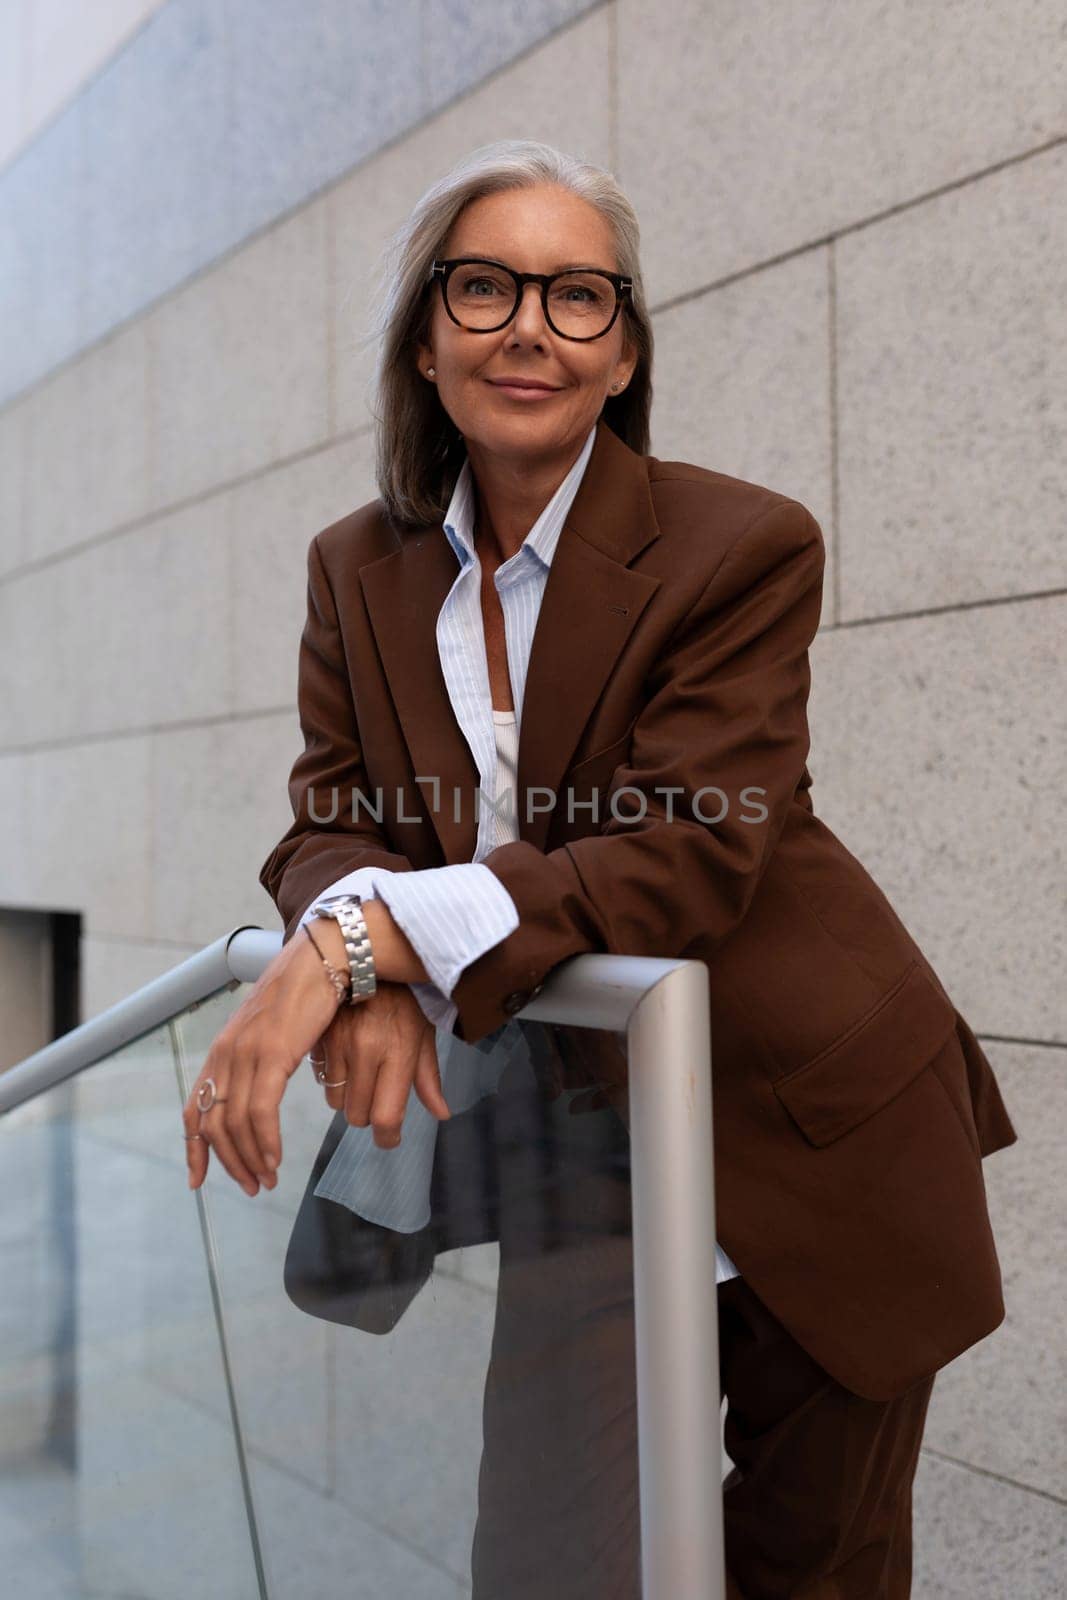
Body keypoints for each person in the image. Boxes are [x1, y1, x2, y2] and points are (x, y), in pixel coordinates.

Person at [182, 139, 1017, 1597]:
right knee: (547, 1562)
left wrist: (359, 946)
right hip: (580, 1150)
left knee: (809, 1570)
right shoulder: (354, 569)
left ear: (622, 353)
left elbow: (678, 850)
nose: (529, 326)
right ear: (426, 337)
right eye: (487, 286)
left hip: (810, 1123)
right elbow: (329, 814)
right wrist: (365, 953)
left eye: (580, 297)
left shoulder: (740, 544)